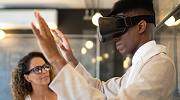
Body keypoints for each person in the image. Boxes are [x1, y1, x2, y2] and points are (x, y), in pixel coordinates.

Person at [31, 0, 176, 99]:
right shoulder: (137, 68)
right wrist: (70, 59)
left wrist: (56, 60)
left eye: (119, 28)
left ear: (141, 26)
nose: (115, 38)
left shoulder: (160, 64)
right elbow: (100, 90)